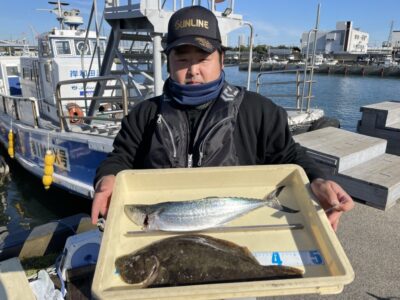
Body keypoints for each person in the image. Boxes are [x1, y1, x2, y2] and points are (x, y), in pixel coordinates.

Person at [91, 5, 354, 231]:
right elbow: (120, 158)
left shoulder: (259, 111)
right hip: (161, 236)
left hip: (237, 231)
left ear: (222, 58)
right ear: (168, 61)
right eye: (182, 59)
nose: (193, 70)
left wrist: (318, 179)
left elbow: (289, 155)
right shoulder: (144, 115)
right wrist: (107, 177)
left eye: (203, 58)